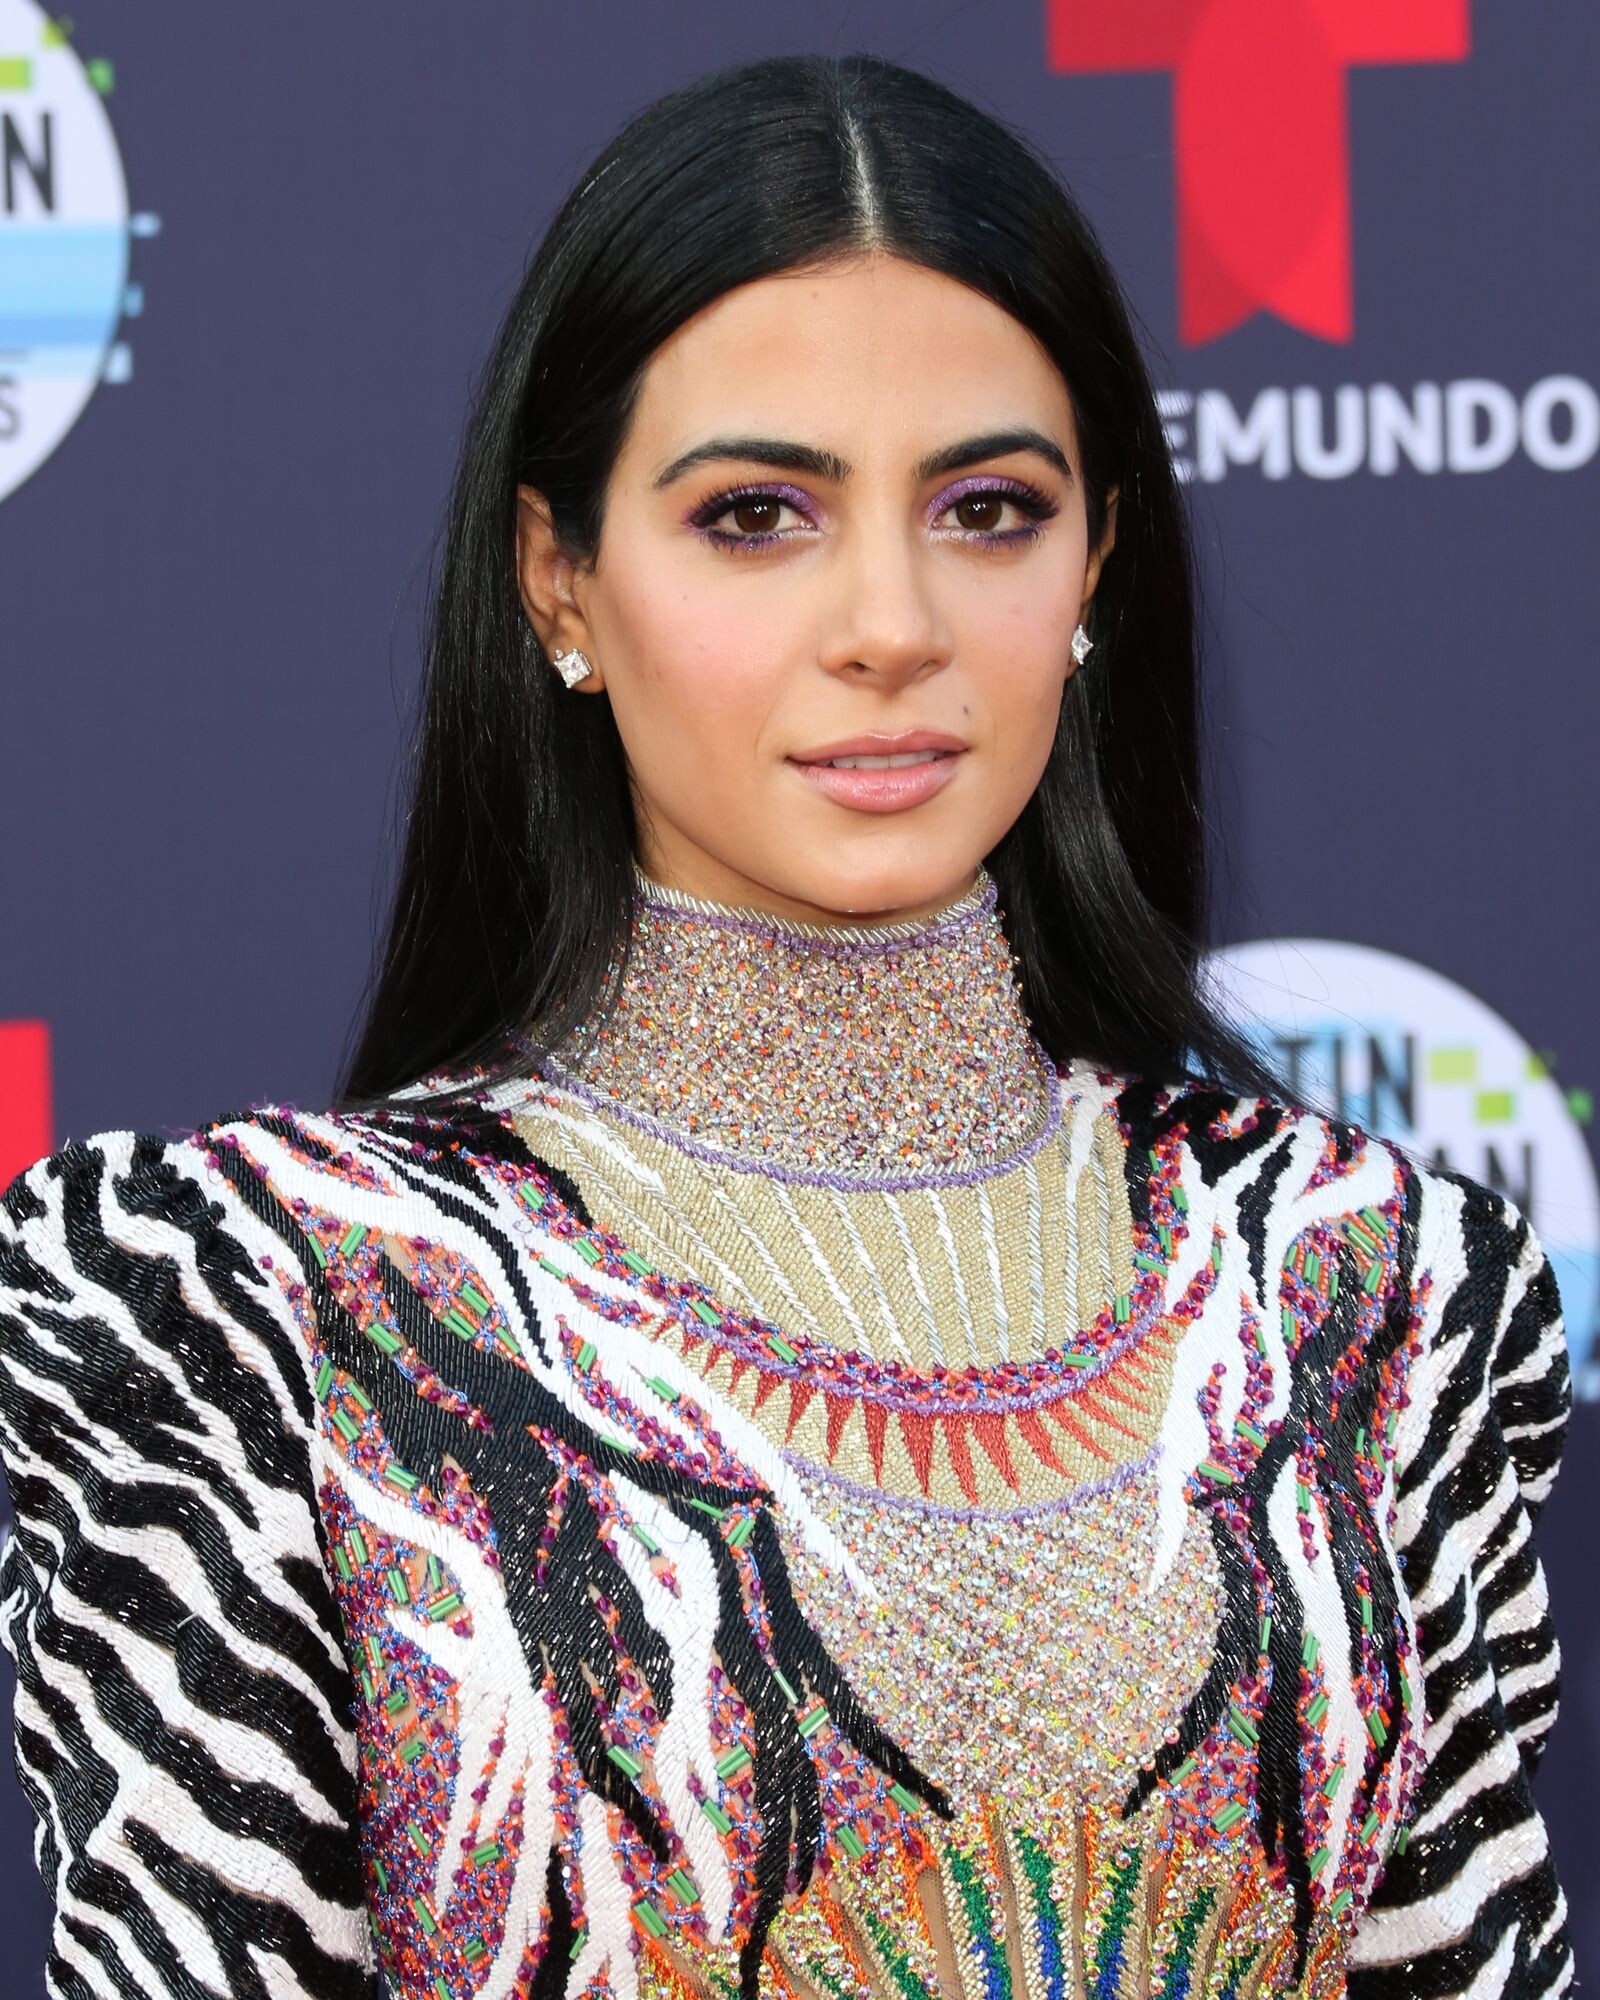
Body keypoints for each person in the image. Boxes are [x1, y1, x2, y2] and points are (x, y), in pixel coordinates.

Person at [0, 49, 1573, 2000]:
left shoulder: (1368, 1286)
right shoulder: (254, 1301)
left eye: (987, 508)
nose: (890, 622)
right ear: (559, 581)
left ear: (1094, 564)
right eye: (757, 514)